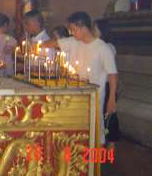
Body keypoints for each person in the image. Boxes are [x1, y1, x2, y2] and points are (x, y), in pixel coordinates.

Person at [42, 12, 118, 145]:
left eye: (74, 29)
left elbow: (112, 74)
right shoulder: (73, 42)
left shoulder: (102, 48)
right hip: (73, 96)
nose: (71, 33)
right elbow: (53, 43)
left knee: (93, 131)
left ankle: (94, 161)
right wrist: (39, 45)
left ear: (83, 28)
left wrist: (111, 99)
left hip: (93, 99)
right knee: (74, 131)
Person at [94, 18, 120, 145]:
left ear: (102, 31)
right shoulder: (98, 46)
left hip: (108, 85)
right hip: (102, 83)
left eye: (95, 29)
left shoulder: (107, 47)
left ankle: (111, 144)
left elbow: (110, 70)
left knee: (109, 116)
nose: (93, 32)